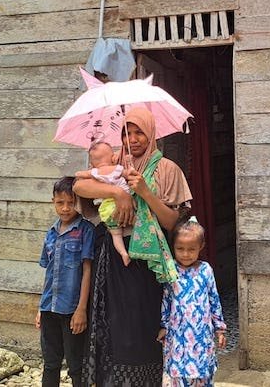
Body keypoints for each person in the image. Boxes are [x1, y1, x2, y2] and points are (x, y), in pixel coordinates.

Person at [74, 107, 193, 386]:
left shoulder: (167, 169)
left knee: (142, 326)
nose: (134, 138)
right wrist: (117, 192)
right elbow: (79, 186)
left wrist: (144, 192)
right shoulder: (117, 161)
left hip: (147, 261)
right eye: (128, 132)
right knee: (114, 324)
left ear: (151, 133)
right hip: (114, 259)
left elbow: (173, 222)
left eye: (140, 131)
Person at [36, 177, 95, 387]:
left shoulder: (86, 230)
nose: (66, 208)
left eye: (71, 202)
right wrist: (40, 308)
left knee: (75, 364)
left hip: (72, 310)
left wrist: (81, 309)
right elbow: (49, 273)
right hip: (49, 308)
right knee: (50, 363)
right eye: (60, 203)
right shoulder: (50, 233)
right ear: (53, 201)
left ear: (78, 202)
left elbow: (87, 270)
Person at [158, 217, 227, 387]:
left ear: (201, 247)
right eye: (180, 248)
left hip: (201, 335)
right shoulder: (171, 270)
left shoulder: (205, 270)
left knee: (203, 375)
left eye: (191, 249)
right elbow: (166, 299)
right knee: (178, 374)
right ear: (173, 247)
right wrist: (164, 326)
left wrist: (220, 329)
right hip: (178, 335)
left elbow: (214, 300)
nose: (185, 254)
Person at [75, 141, 133, 266]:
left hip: (107, 209)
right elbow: (129, 173)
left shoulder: (95, 173)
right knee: (134, 216)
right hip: (127, 207)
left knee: (116, 234)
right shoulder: (116, 169)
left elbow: (79, 176)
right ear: (113, 157)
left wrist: (86, 172)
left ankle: (123, 253)